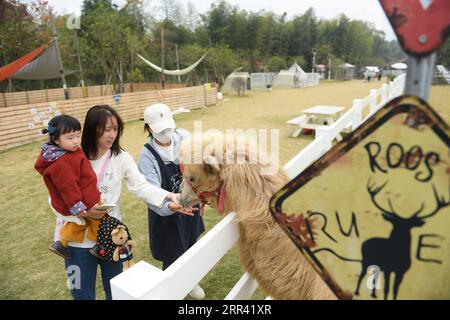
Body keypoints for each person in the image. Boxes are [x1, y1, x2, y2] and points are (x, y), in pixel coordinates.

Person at [52, 104, 188, 300]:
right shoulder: (70, 157)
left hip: (112, 237)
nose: (112, 134)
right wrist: (84, 213)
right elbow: (55, 198)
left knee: (116, 292)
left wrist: (169, 196)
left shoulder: (121, 157)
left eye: (115, 129)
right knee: (81, 293)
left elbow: (140, 186)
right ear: (92, 129)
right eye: (107, 129)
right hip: (77, 242)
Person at [139, 103, 206, 300]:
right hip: (166, 212)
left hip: (189, 206)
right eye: (161, 129)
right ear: (149, 128)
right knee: (172, 253)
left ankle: (190, 281)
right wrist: (171, 206)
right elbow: (151, 192)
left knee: (190, 244)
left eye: (169, 127)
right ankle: (170, 290)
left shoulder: (184, 137)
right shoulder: (147, 156)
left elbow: (198, 167)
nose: (167, 133)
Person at [35, 115, 104, 259]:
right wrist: (76, 206)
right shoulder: (62, 162)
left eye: (78, 135)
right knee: (102, 219)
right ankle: (102, 246)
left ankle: (62, 243)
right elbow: (67, 186)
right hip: (81, 200)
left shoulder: (69, 151)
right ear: (56, 139)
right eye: (70, 137)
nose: (76, 141)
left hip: (84, 196)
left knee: (79, 224)